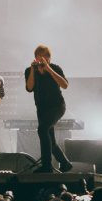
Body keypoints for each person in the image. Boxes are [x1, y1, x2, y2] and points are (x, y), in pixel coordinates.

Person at [25, 45, 72, 173]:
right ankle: (65, 163)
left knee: (42, 129)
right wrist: (33, 71)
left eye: (46, 56)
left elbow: (65, 85)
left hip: (57, 106)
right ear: (36, 58)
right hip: (41, 109)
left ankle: (46, 166)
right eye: (40, 56)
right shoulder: (29, 70)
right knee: (50, 140)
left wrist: (49, 70)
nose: (43, 59)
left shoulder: (55, 68)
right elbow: (29, 88)